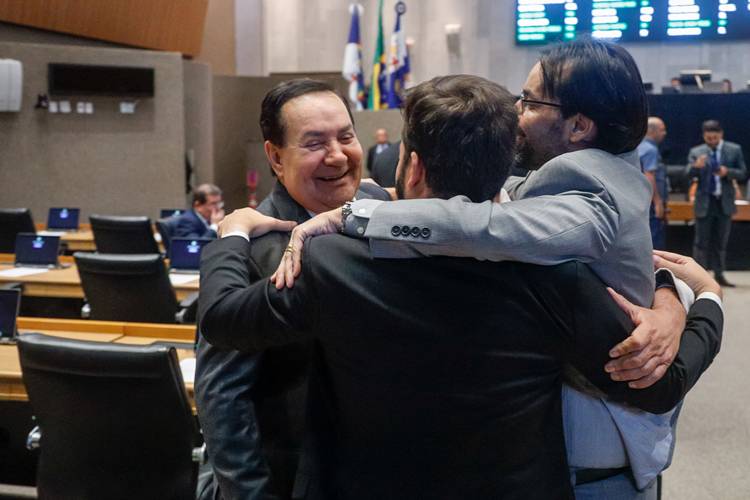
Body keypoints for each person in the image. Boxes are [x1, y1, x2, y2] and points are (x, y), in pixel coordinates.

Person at [199, 75, 723, 499]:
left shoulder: (331, 260)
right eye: (315, 142)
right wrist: (702, 302)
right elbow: (658, 385)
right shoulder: (553, 272)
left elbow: (222, 319)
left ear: (413, 166)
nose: (337, 156)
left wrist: (232, 233)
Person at [194, 79, 389, 500]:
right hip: (294, 478)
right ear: (276, 157)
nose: (337, 156)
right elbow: (222, 396)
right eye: (315, 143)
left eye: (346, 137)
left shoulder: (379, 210)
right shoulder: (251, 249)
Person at [686, 119, 747, 287]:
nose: (712, 141)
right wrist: (696, 167)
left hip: (724, 202)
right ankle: (699, 277)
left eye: (715, 137)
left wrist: (728, 172)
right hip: (704, 202)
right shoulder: (696, 151)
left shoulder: (734, 149)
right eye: (708, 138)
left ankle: (719, 275)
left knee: (721, 242)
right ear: (703, 136)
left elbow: (743, 173)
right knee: (700, 242)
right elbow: (686, 174)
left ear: (721, 134)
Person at [638, 117, 669, 249]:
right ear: (651, 131)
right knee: (655, 243)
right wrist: (657, 202)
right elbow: (649, 175)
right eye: (662, 130)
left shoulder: (637, 147)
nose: (665, 133)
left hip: (640, 199)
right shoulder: (650, 149)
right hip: (650, 203)